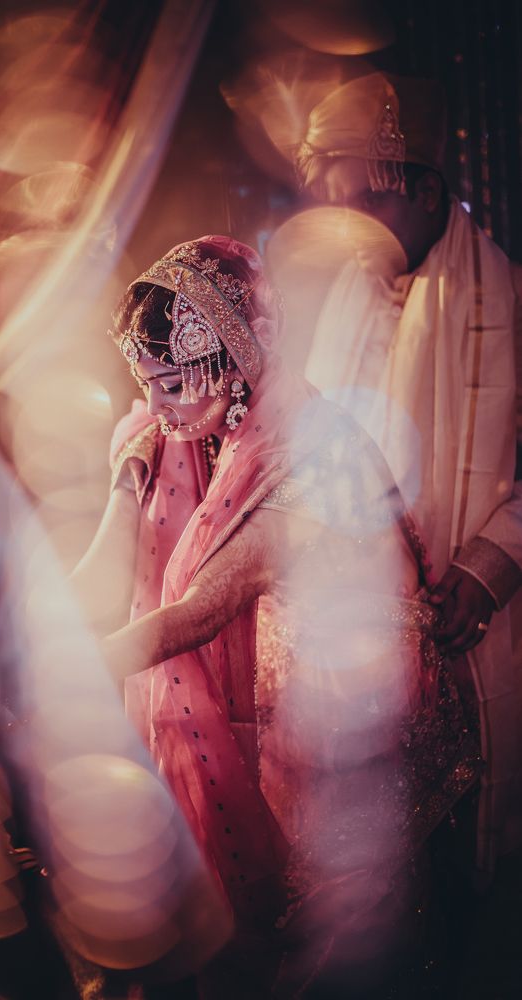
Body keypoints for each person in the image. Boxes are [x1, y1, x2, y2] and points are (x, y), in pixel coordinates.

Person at [71, 235, 480, 994]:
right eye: (145, 383)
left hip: (347, 711)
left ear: (227, 361)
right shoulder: (216, 421)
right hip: (288, 694)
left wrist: (69, 667)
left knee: (341, 929)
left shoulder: (310, 457)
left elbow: (199, 610)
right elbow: (126, 528)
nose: (156, 408)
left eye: (170, 385)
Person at [296, 71, 522, 878]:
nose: (346, 228)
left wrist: (485, 570)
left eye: (363, 203)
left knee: (469, 862)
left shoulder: (511, 304)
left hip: (480, 623)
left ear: (425, 193)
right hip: (365, 632)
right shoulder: (340, 308)